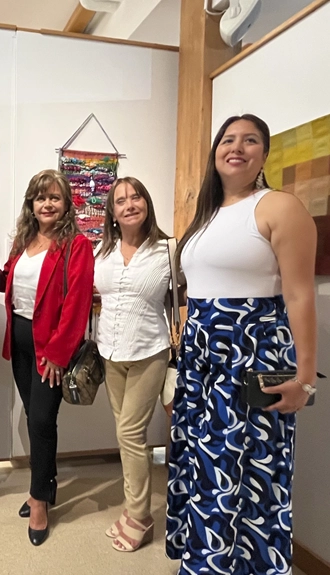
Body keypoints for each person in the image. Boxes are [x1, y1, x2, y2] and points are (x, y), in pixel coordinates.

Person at [166, 114, 318, 574]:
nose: (237, 147)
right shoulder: (206, 215)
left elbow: (299, 296)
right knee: (203, 466)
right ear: (215, 152)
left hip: (251, 358)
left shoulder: (279, 207)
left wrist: (306, 379)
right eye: (228, 139)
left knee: (248, 472)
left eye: (250, 140)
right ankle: (203, 560)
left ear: (264, 154)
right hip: (202, 364)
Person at [0, 169, 94, 546]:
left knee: (40, 420)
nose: (47, 204)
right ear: (31, 204)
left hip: (49, 347)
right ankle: (48, 482)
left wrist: (57, 353)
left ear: (67, 204)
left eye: (55, 197)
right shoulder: (23, 240)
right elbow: (8, 279)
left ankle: (39, 499)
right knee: (36, 417)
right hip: (19, 340)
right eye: (41, 198)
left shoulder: (76, 245)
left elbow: (77, 303)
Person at [93, 176, 171, 552]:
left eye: (136, 197)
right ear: (112, 211)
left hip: (149, 352)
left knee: (130, 434)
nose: (129, 204)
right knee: (125, 436)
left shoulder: (168, 250)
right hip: (110, 353)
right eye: (121, 200)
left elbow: (187, 295)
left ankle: (140, 516)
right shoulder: (101, 251)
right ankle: (131, 508)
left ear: (146, 203)